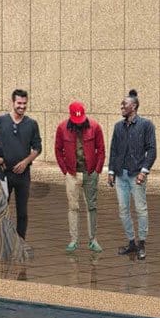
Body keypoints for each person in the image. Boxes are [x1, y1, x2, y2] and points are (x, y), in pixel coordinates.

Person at [108, 91, 158, 259]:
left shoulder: (146, 125)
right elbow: (114, 149)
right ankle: (131, 242)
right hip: (120, 174)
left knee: (140, 209)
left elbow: (152, 150)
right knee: (123, 210)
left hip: (137, 174)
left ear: (134, 106)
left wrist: (144, 171)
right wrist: (111, 171)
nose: (122, 107)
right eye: (122, 104)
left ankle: (142, 243)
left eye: (125, 104)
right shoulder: (118, 127)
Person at [0, 89, 44, 240]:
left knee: (22, 212)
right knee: (0, 209)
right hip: (3, 174)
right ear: (12, 102)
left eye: (25, 103)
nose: (22, 106)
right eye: (19, 103)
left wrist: (26, 162)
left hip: (23, 175)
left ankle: (20, 242)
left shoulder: (32, 124)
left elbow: (38, 148)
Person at [54, 100, 106, 254]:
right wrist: (65, 170)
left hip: (90, 173)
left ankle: (93, 240)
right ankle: (73, 240)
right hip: (72, 173)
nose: (79, 124)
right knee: (73, 207)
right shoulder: (62, 128)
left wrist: (97, 170)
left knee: (92, 206)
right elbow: (58, 150)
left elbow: (101, 149)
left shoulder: (95, 127)